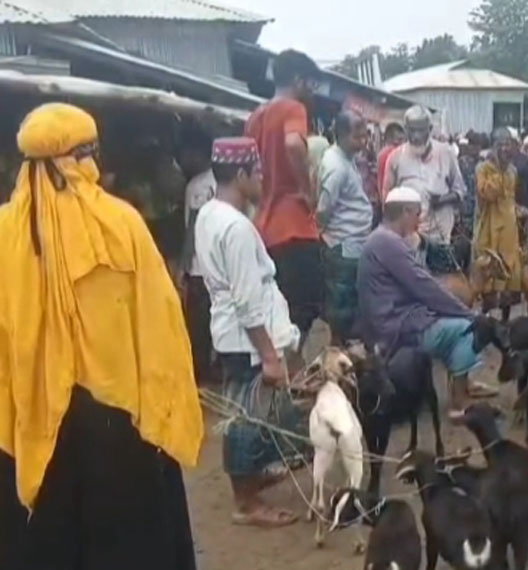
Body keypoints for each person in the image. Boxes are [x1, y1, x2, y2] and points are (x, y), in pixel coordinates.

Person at [0, 103, 202, 569]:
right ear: (81, 156)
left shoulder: (8, 233)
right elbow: (160, 327)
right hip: (119, 426)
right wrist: (167, 404)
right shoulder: (121, 224)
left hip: (33, 428)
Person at [193, 137, 306, 529]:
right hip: (246, 340)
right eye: (257, 172)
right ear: (240, 175)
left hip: (232, 335)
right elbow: (246, 299)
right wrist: (271, 355)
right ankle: (246, 502)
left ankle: (252, 479)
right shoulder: (236, 227)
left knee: (249, 413)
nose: (262, 179)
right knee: (246, 419)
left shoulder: (210, 213)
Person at [357, 188, 497, 419]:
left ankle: (465, 383)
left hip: (393, 320)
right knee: (469, 329)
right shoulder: (388, 242)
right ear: (405, 211)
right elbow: (425, 287)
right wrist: (469, 314)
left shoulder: (382, 238)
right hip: (397, 327)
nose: (419, 220)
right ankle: (458, 404)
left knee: (457, 319)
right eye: (416, 214)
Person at [245, 49, 324, 343]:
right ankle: (294, 379)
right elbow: (293, 143)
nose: (310, 91)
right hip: (294, 227)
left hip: (263, 228)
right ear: (297, 80)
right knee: (301, 316)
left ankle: (282, 380)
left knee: (275, 315)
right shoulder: (293, 109)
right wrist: (306, 188)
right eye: (309, 84)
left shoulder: (255, 116)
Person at [383, 106, 467, 274]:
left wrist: (442, 199)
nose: (416, 136)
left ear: (429, 129)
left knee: (440, 288)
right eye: (412, 131)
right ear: (406, 129)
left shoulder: (446, 153)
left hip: (440, 238)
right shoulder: (395, 158)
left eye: (421, 131)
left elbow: (461, 190)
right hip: (408, 239)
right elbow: (387, 200)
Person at [318, 112, 374, 343]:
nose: (363, 143)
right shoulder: (336, 167)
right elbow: (323, 209)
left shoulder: (345, 157)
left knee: (352, 298)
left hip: (352, 242)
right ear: (341, 135)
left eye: (365, 136)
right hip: (343, 244)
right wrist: (327, 235)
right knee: (342, 303)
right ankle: (338, 349)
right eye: (357, 137)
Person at [177, 127, 217, 384]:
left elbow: (193, 227)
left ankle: (199, 377)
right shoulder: (221, 181)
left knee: (198, 327)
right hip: (219, 266)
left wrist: (183, 264)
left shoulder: (197, 186)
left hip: (200, 268)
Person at [475, 128, 524, 321]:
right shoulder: (483, 169)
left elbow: (510, 197)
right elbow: (487, 194)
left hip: (509, 229)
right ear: (493, 147)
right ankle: (484, 318)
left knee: (509, 271)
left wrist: (520, 211)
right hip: (489, 227)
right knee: (489, 269)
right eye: (500, 145)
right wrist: (497, 171)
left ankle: (505, 321)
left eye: (508, 144)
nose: (505, 148)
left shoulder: (513, 170)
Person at [377, 122, 406, 199]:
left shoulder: (382, 153)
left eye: (403, 140)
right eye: (399, 139)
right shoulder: (392, 153)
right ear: (390, 138)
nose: (402, 143)